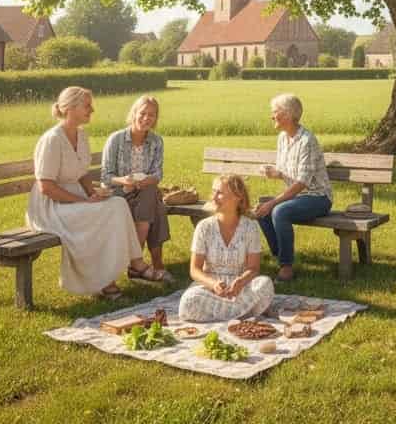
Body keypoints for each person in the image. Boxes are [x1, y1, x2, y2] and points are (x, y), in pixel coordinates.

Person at [25, 86, 151, 300]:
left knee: (117, 204)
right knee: (100, 216)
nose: (91, 110)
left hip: (74, 200)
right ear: (69, 108)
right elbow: (46, 187)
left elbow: (82, 173)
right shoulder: (52, 140)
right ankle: (106, 283)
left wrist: (93, 194)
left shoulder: (81, 135)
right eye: (87, 105)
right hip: (50, 208)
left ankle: (133, 263)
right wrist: (84, 201)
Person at [255, 93, 333, 282]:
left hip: (317, 197)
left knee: (279, 211)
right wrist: (275, 172)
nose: (272, 116)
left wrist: (274, 202)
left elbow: (301, 183)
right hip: (297, 197)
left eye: (275, 113)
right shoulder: (283, 138)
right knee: (261, 209)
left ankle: (286, 268)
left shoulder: (307, 141)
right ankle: (280, 255)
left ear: (288, 115)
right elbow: (286, 171)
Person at [178, 174, 274, 322]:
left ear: (238, 197)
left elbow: (254, 268)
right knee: (189, 301)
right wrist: (214, 284)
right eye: (213, 191)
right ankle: (245, 312)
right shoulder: (204, 227)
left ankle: (225, 312)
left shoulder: (250, 227)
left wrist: (241, 281)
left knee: (265, 284)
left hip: (240, 288)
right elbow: (194, 270)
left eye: (220, 193)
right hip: (210, 287)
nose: (214, 197)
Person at [101, 95, 173, 283]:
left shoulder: (156, 141)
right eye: (143, 113)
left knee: (150, 194)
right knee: (156, 207)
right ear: (134, 114)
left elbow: (157, 174)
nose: (146, 118)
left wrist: (147, 181)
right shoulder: (116, 140)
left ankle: (137, 264)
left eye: (152, 115)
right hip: (118, 195)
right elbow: (106, 177)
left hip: (144, 192)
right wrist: (124, 181)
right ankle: (145, 264)